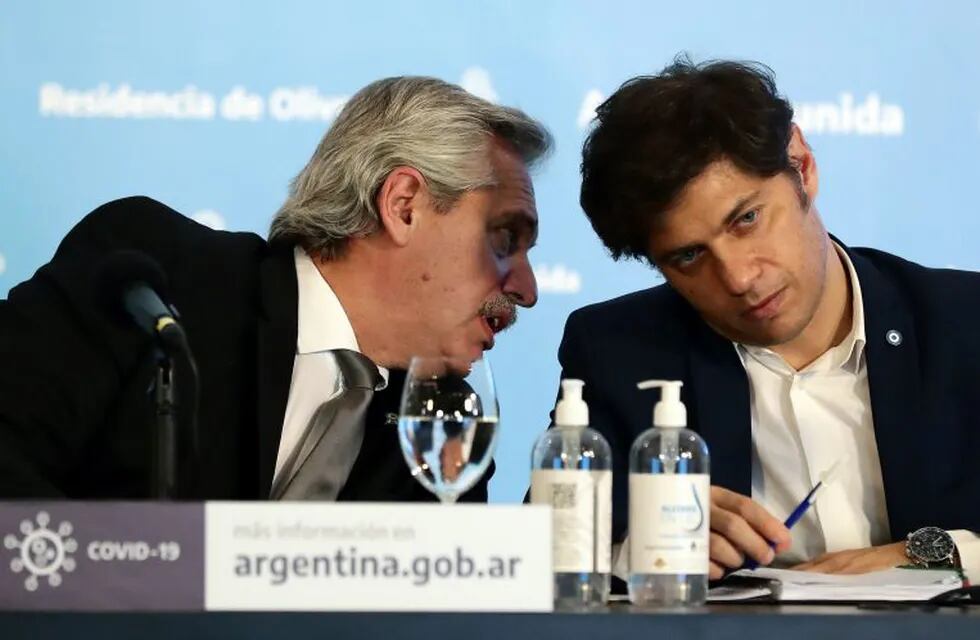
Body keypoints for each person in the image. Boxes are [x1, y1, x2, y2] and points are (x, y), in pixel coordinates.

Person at [0, 76, 551, 502]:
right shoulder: (157, 284)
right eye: (504, 238)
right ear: (403, 205)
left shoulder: (440, 418)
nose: (525, 289)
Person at [561, 57, 980, 580]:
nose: (737, 277)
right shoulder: (617, 354)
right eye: (689, 256)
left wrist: (941, 552)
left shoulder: (964, 321)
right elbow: (550, 554)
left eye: (746, 220)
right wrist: (641, 553)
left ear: (801, 166)